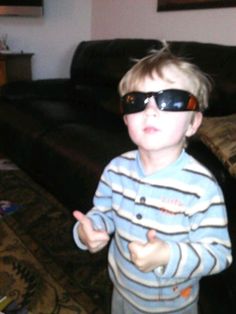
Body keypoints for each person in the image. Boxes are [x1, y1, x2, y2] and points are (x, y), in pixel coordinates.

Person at [73, 44, 232, 314]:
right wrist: (87, 230)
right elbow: (104, 213)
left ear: (193, 123)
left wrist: (168, 256)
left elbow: (219, 254)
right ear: (126, 119)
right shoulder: (116, 170)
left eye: (171, 100)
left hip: (173, 307)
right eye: (136, 101)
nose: (151, 110)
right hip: (122, 292)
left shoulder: (201, 187)